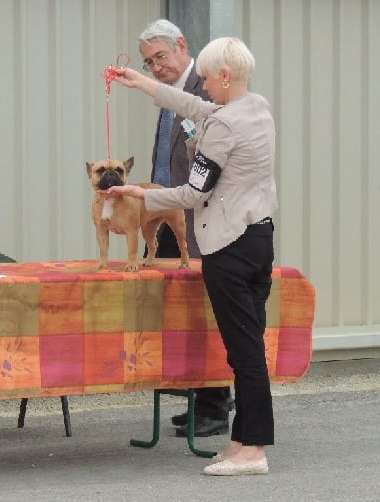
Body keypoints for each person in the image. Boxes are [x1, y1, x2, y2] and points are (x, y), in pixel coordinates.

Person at [102, 37, 277, 476]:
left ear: (223, 76)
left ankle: (253, 450)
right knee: (247, 348)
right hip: (258, 238)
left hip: (228, 246)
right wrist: (142, 83)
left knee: (245, 352)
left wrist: (141, 193)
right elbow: (193, 106)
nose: (201, 85)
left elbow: (193, 192)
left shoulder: (223, 127)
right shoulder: (256, 107)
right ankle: (241, 442)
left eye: (206, 78)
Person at [138, 19, 233, 438]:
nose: (156, 67)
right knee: (176, 312)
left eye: (160, 56)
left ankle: (215, 403)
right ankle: (197, 397)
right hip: (162, 217)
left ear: (181, 46)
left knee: (205, 313)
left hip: (199, 219)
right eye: (148, 62)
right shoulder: (170, 99)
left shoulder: (204, 90)